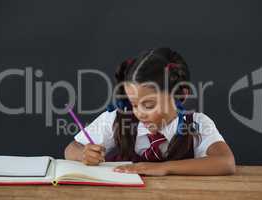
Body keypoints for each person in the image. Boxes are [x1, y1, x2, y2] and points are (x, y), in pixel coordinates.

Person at [64, 47, 235, 176]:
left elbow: (226, 163)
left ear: (180, 95)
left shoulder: (197, 124)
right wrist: (83, 154)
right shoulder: (118, 119)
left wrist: (163, 168)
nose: (139, 113)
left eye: (149, 105)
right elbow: (71, 148)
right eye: (133, 104)